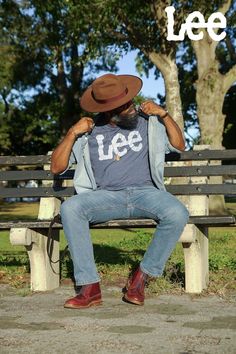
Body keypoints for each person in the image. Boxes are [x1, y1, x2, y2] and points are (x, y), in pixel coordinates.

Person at [51, 73, 189, 309]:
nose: (131, 107)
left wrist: (164, 115)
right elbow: (57, 167)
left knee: (177, 212)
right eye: (123, 106)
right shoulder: (89, 132)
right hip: (106, 197)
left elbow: (179, 144)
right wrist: (72, 133)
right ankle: (90, 288)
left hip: (147, 193)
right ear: (108, 111)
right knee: (71, 208)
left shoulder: (148, 122)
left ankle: (141, 278)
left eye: (129, 100)